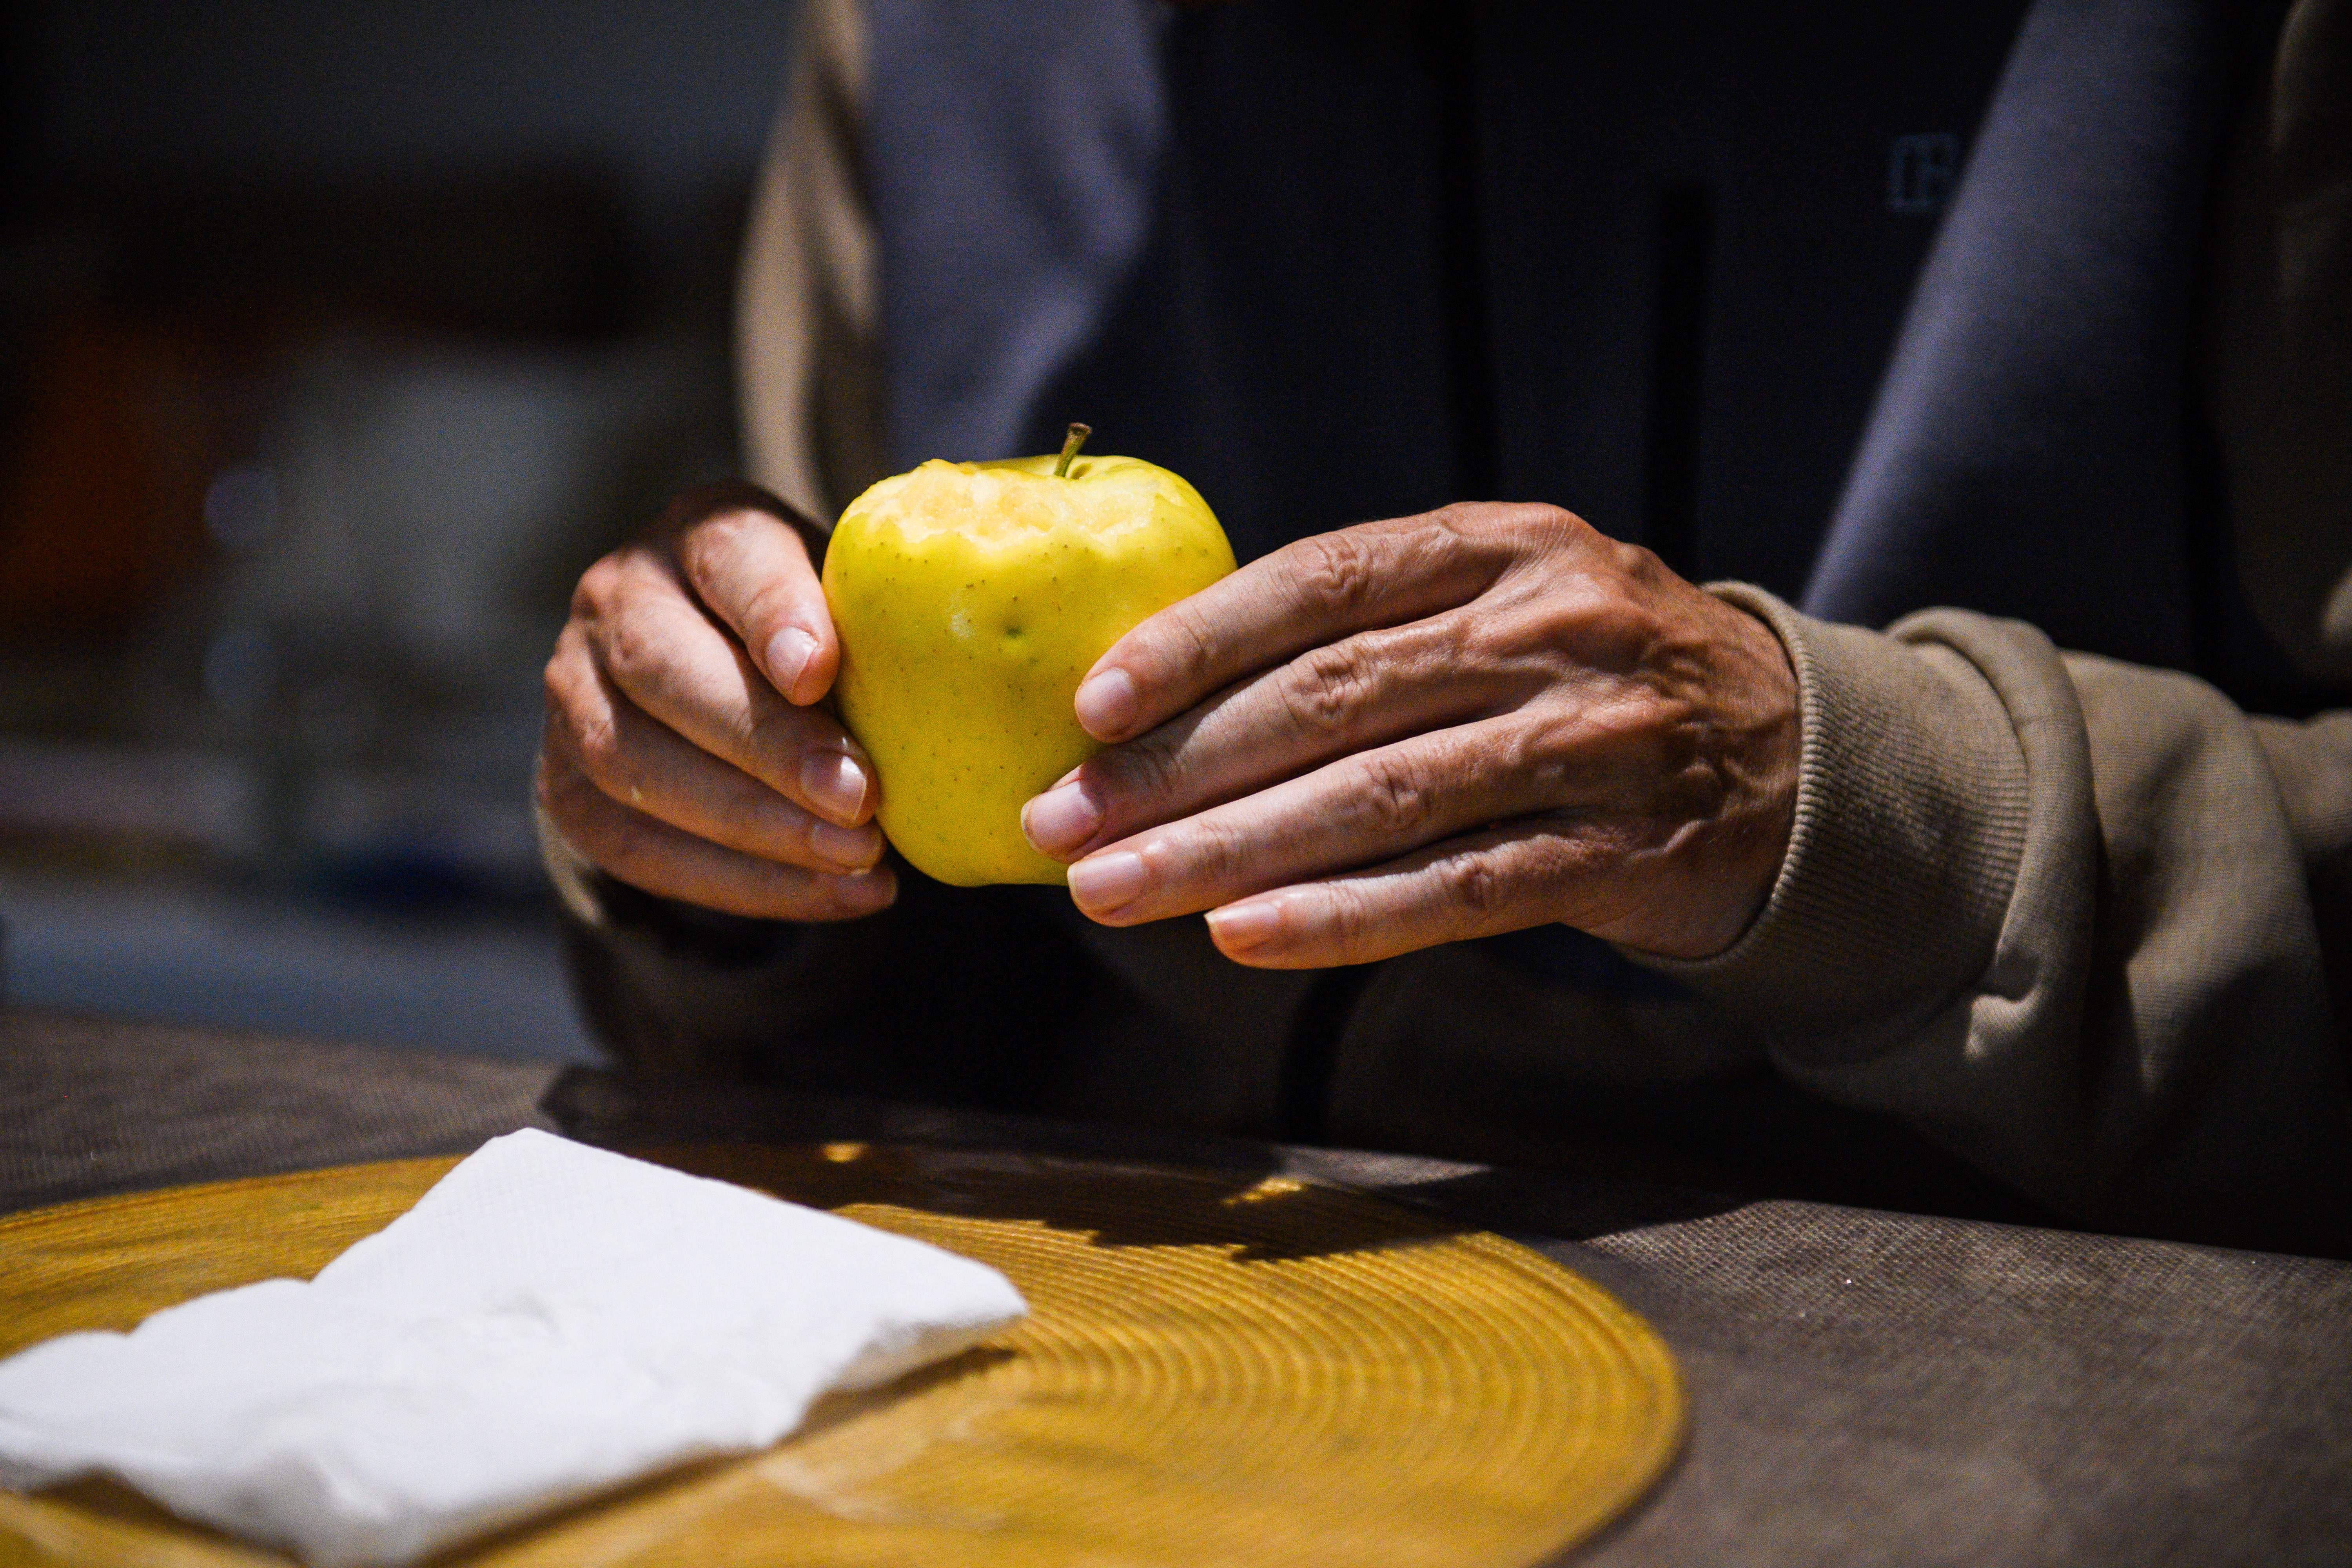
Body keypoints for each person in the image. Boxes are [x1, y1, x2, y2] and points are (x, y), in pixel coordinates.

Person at [536, 0, 2352, 1254]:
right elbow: (799, 1013)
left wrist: (1865, 810)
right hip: (1096, 1358)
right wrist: (711, 838)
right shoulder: (941, 44)